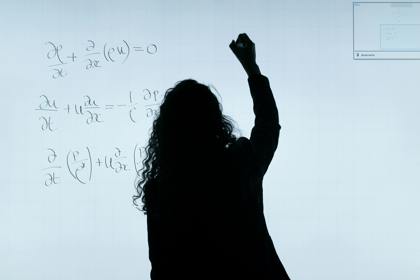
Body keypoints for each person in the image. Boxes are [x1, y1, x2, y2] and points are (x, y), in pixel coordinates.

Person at [133, 33, 290, 280]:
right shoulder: (239, 164)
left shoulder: (161, 191)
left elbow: (162, 267)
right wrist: (252, 68)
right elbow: (268, 126)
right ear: (216, 122)